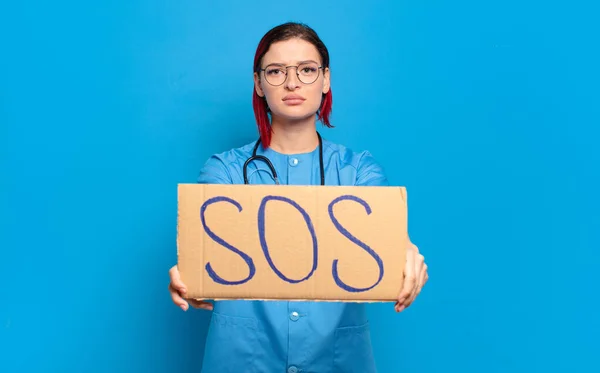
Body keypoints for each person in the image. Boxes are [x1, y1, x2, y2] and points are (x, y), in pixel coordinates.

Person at [168, 22, 429, 373]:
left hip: (338, 359)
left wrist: (408, 255)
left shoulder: (359, 171)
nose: (292, 83)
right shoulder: (224, 171)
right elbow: (206, 248)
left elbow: (387, 238)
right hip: (242, 360)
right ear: (258, 84)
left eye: (307, 70)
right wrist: (189, 273)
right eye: (275, 71)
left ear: (326, 80)